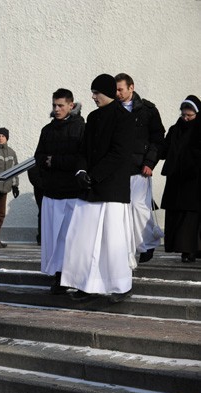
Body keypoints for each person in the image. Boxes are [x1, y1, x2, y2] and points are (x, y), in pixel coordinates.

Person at [61, 74, 135, 303]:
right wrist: (81, 172)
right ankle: (85, 284)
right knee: (81, 239)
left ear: (108, 92)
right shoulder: (92, 118)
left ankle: (121, 285)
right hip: (89, 188)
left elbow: (119, 153)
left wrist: (94, 175)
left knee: (112, 241)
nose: (93, 97)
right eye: (92, 92)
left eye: (97, 93)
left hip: (111, 189)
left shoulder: (124, 118)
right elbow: (83, 150)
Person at [34, 88, 85, 294]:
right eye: (54, 105)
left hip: (72, 193)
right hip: (52, 191)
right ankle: (58, 275)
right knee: (53, 238)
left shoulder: (81, 128)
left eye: (61, 105)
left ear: (71, 105)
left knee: (71, 238)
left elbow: (81, 158)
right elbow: (39, 157)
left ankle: (72, 276)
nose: (56, 109)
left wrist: (55, 161)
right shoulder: (48, 130)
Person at [115, 73, 166, 263]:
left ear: (131, 87)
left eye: (121, 89)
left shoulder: (147, 110)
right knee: (122, 210)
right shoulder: (113, 110)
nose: (118, 93)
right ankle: (128, 248)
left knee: (139, 207)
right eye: (116, 90)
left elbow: (157, 138)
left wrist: (149, 163)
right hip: (118, 170)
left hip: (139, 168)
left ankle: (148, 243)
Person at [160, 95, 201, 263]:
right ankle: (184, 249)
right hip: (177, 179)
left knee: (191, 217)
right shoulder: (175, 129)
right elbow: (165, 148)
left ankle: (191, 250)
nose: (185, 119)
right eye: (183, 115)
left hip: (195, 180)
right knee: (179, 215)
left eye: (189, 116)